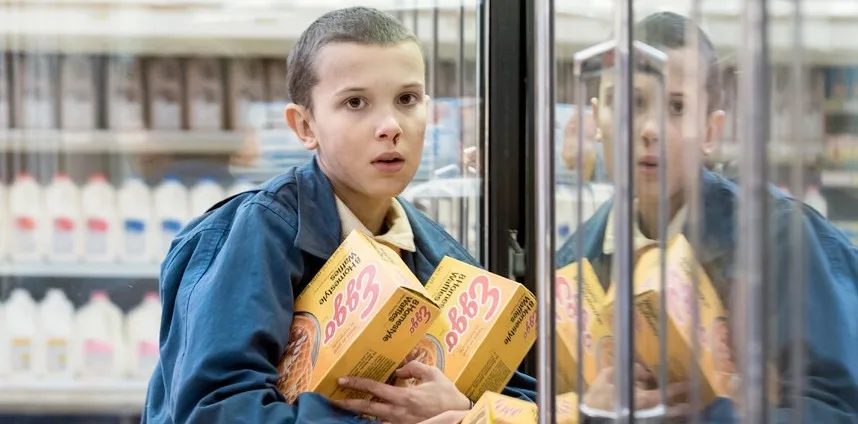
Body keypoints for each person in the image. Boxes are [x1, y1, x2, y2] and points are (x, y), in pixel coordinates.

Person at [140, 7, 535, 424]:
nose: (390, 126)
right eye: (355, 102)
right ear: (304, 126)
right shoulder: (258, 235)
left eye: (407, 99)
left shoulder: (442, 257)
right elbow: (216, 410)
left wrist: (465, 412)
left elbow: (523, 397)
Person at [556, 11, 858, 423]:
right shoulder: (575, 263)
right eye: (630, 103)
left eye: (676, 107)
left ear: (711, 132)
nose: (649, 129)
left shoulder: (780, 240)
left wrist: (712, 415)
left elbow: (836, 410)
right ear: (597, 119)